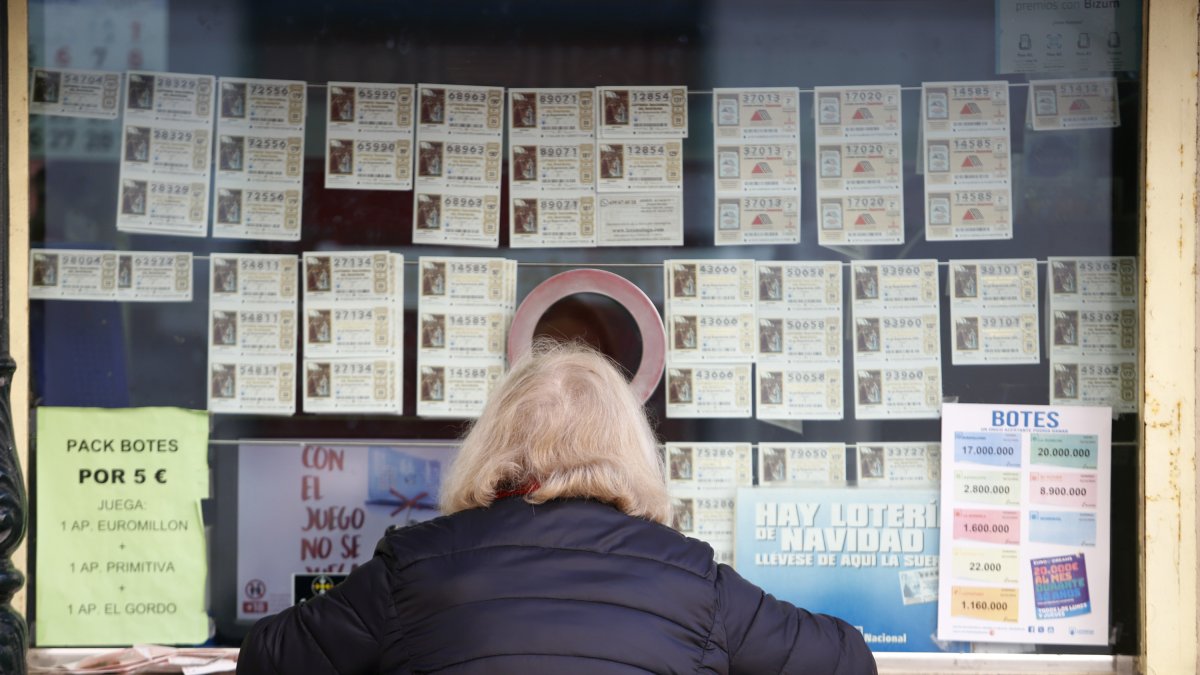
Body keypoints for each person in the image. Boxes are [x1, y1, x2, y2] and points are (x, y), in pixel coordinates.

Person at [238, 341, 876, 674]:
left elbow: (267, 658)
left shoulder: (415, 567)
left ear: (491, 442)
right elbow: (848, 661)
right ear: (630, 448)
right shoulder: (693, 581)